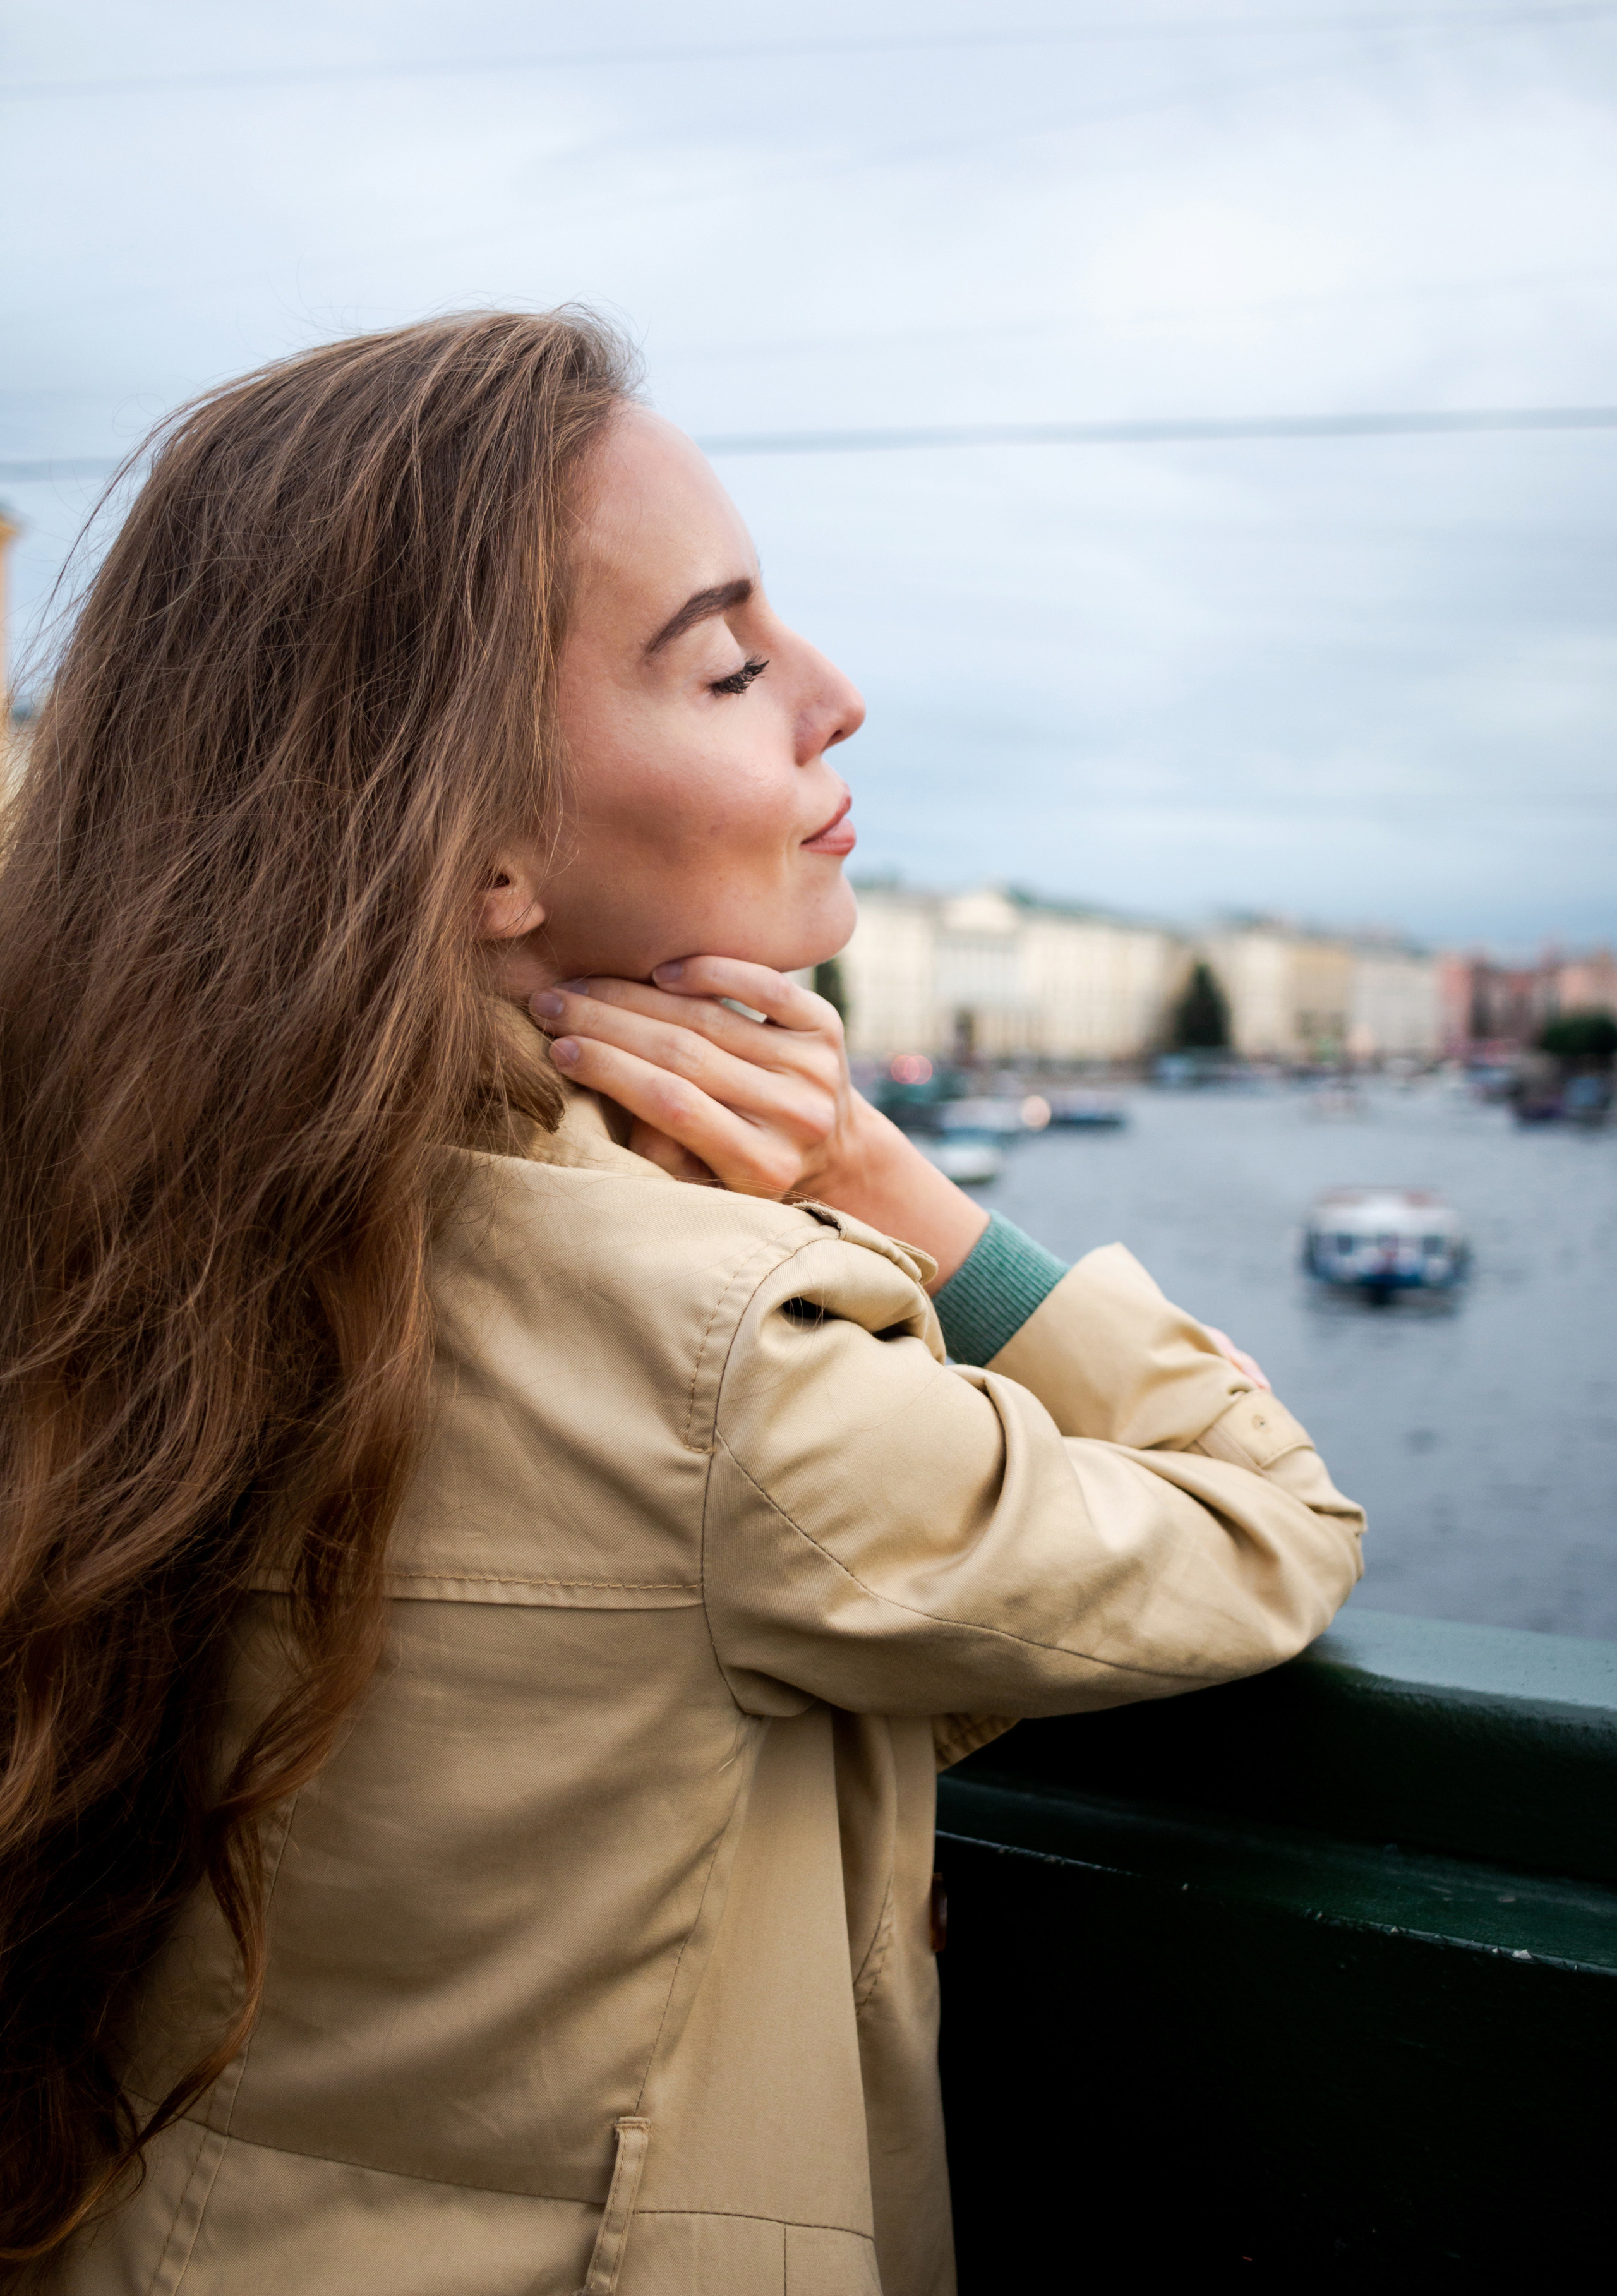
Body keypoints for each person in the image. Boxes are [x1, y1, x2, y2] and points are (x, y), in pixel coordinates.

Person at [0, 312, 1364, 2296]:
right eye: (727, 662)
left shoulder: (90, 1217)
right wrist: (888, 1184)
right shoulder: (730, 1356)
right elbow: (1273, 1524)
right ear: (474, 852)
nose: (836, 697)